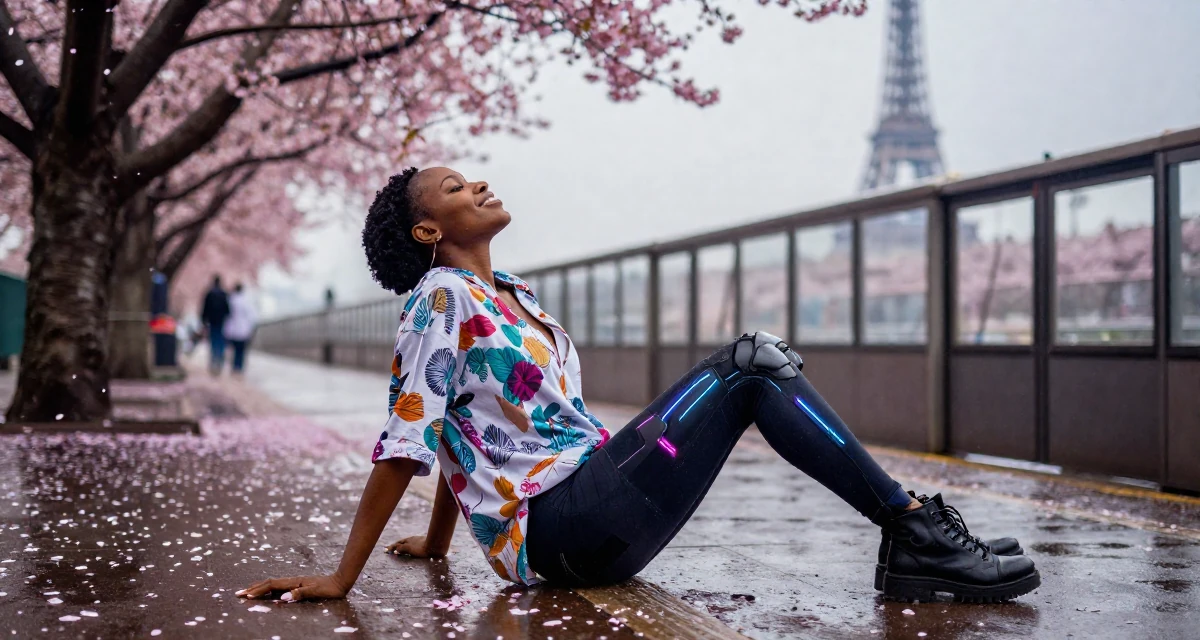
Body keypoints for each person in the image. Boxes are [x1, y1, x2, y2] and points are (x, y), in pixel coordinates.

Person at [238, 168, 1039, 604]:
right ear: (428, 232)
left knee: (751, 365)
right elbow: (414, 428)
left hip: (583, 514)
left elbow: (470, 423)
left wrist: (445, 537)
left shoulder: (510, 293)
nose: (477, 183)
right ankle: (913, 533)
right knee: (752, 362)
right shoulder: (440, 298)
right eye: (454, 189)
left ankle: (915, 538)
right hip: (563, 527)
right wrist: (342, 578)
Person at [224, 283, 258, 374]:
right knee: (241, 351)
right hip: (243, 330)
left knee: (233, 350)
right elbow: (252, 317)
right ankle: (238, 368)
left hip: (232, 330)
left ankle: (234, 367)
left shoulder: (230, 300)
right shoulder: (246, 301)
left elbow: (226, 316)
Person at [200, 275, 230, 375]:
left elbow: (204, 308)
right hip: (221, 321)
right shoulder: (224, 294)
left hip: (211, 321)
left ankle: (213, 360)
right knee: (220, 340)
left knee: (213, 340)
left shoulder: (209, 293)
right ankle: (219, 359)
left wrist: (203, 320)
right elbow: (228, 310)